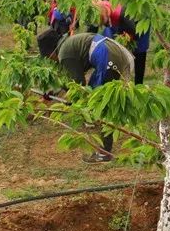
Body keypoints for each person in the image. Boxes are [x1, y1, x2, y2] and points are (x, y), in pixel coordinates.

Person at [46, 32, 134, 163]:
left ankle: (105, 152)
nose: (52, 60)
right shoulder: (69, 45)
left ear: (51, 52)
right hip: (115, 52)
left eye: (49, 57)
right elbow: (73, 80)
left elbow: (78, 84)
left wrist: (74, 104)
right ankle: (99, 130)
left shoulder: (64, 53)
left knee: (102, 102)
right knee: (95, 93)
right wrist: (54, 91)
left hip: (108, 56)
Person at [95, 0, 150, 85]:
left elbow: (135, 33)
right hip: (121, 27)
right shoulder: (101, 7)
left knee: (139, 53)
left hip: (138, 26)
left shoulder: (121, 14)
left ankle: (139, 85)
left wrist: (122, 41)